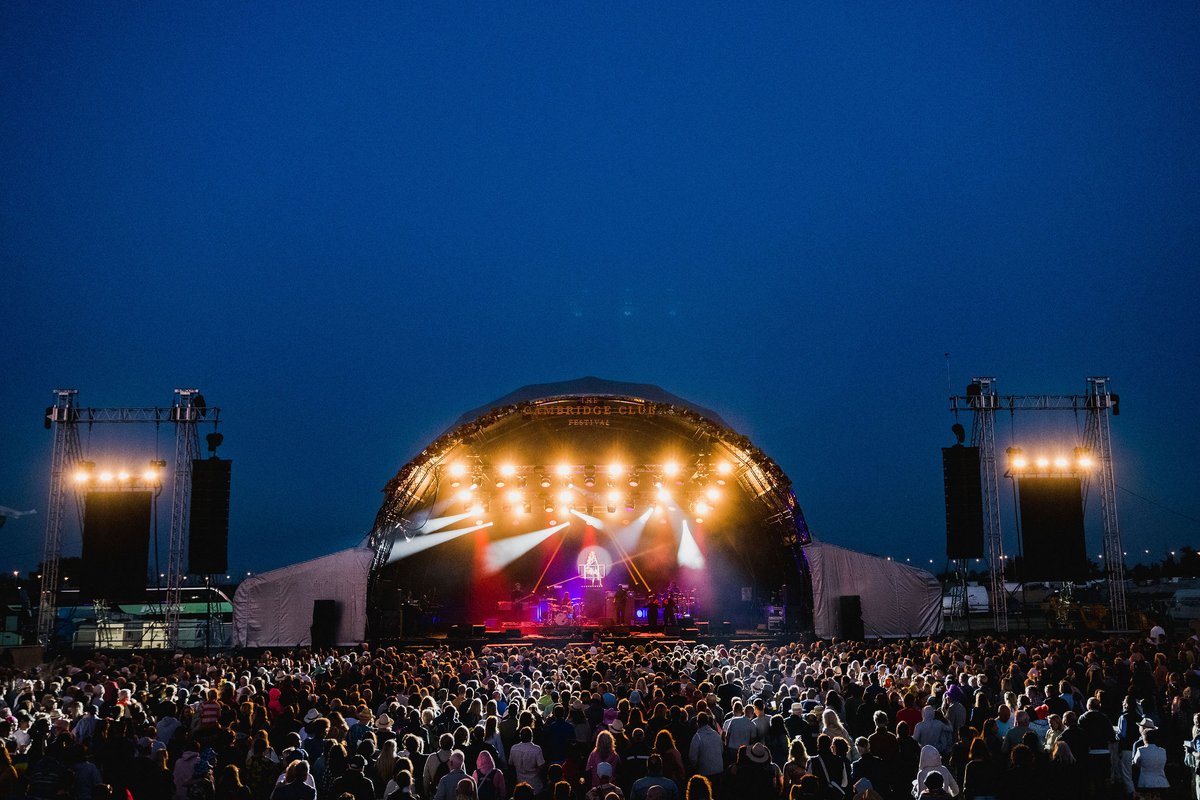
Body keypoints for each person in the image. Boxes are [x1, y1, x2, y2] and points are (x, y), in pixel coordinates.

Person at [1131, 719, 1168, 799]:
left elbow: (1135, 764)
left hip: (1145, 781)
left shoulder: (1139, 747)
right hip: (1160, 781)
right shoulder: (1161, 748)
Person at [508, 727, 545, 795]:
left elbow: (511, 763)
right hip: (535, 784)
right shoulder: (536, 749)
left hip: (520, 783)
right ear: (531, 736)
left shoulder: (514, 748)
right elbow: (541, 766)